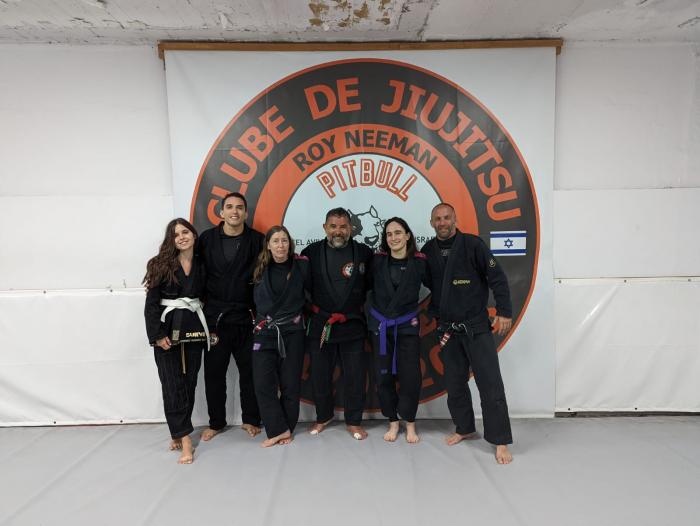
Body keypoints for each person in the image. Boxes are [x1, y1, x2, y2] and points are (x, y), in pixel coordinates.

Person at [421, 203, 514, 464]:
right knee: (454, 383)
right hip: (447, 328)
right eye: (437, 218)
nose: (442, 222)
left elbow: (498, 278)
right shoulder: (428, 251)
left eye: (446, 217)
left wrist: (504, 312)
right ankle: (464, 428)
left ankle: (500, 440)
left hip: (476, 327)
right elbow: (429, 283)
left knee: (490, 383)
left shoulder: (473, 245)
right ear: (431, 223)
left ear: (455, 219)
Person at [301, 208, 373, 440]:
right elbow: (302, 289)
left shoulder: (364, 253)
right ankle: (323, 417)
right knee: (320, 375)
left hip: (352, 324)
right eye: (333, 226)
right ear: (325, 228)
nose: (338, 231)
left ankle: (354, 421)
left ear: (351, 228)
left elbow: (371, 288)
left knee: (355, 376)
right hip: (321, 324)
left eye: (343, 226)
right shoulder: (310, 253)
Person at [197, 192, 264, 441]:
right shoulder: (207, 239)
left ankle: (251, 419)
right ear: (221, 212)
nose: (234, 211)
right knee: (214, 374)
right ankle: (216, 422)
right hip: (215, 318)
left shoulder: (257, 240)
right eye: (229, 207)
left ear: (246, 213)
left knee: (250, 373)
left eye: (239, 207)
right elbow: (195, 273)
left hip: (246, 317)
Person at [143, 218, 208, 464]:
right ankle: (185, 439)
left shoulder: (202, 264)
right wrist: (157, 335)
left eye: (185, 232)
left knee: (189, 382)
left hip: (193, 328)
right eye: (175, 234)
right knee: (172, 384)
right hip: (167, 330)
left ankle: (178, 431)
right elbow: (151, 305)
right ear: (170, 240)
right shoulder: (159, 264)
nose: (181, 237)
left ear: (193, 234)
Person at [369, 217, 429, 444]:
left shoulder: (420, 263)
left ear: (407, 235)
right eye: (389, 234)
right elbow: (363, 289)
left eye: (397, 233)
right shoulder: (377, 261)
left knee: (410, 376)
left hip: (407, 326)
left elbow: (438, 287)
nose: (393, 237)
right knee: (383, 376)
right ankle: (393, 421)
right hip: (381, 326)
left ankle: (410, 421)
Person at [251, 226, 309, 447]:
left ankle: (287, 429)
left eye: (284, 240)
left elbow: (312, 294)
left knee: (290, 383)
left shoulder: (301, 267)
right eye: (275, 241)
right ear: (268, 245)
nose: (280, 245)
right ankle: (277, 428)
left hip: (292, 332)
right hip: (264, 331)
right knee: (262, 382)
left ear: (290, 244)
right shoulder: (258, 268)